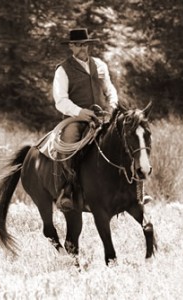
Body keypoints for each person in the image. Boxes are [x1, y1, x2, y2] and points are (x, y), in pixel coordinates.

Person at [52, 28, 119, 211]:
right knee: (69, 144)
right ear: (71, 47)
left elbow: (109, 89)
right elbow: (60, 100)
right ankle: (67, 189)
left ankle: (131, 188)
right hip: (76, 118)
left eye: (85, 44)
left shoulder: (100, 65)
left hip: (102, 117)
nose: (83, 48)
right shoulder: (63, 70)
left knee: (124, 140)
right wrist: (80, 112)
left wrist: (112, 105)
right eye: (79, 45)